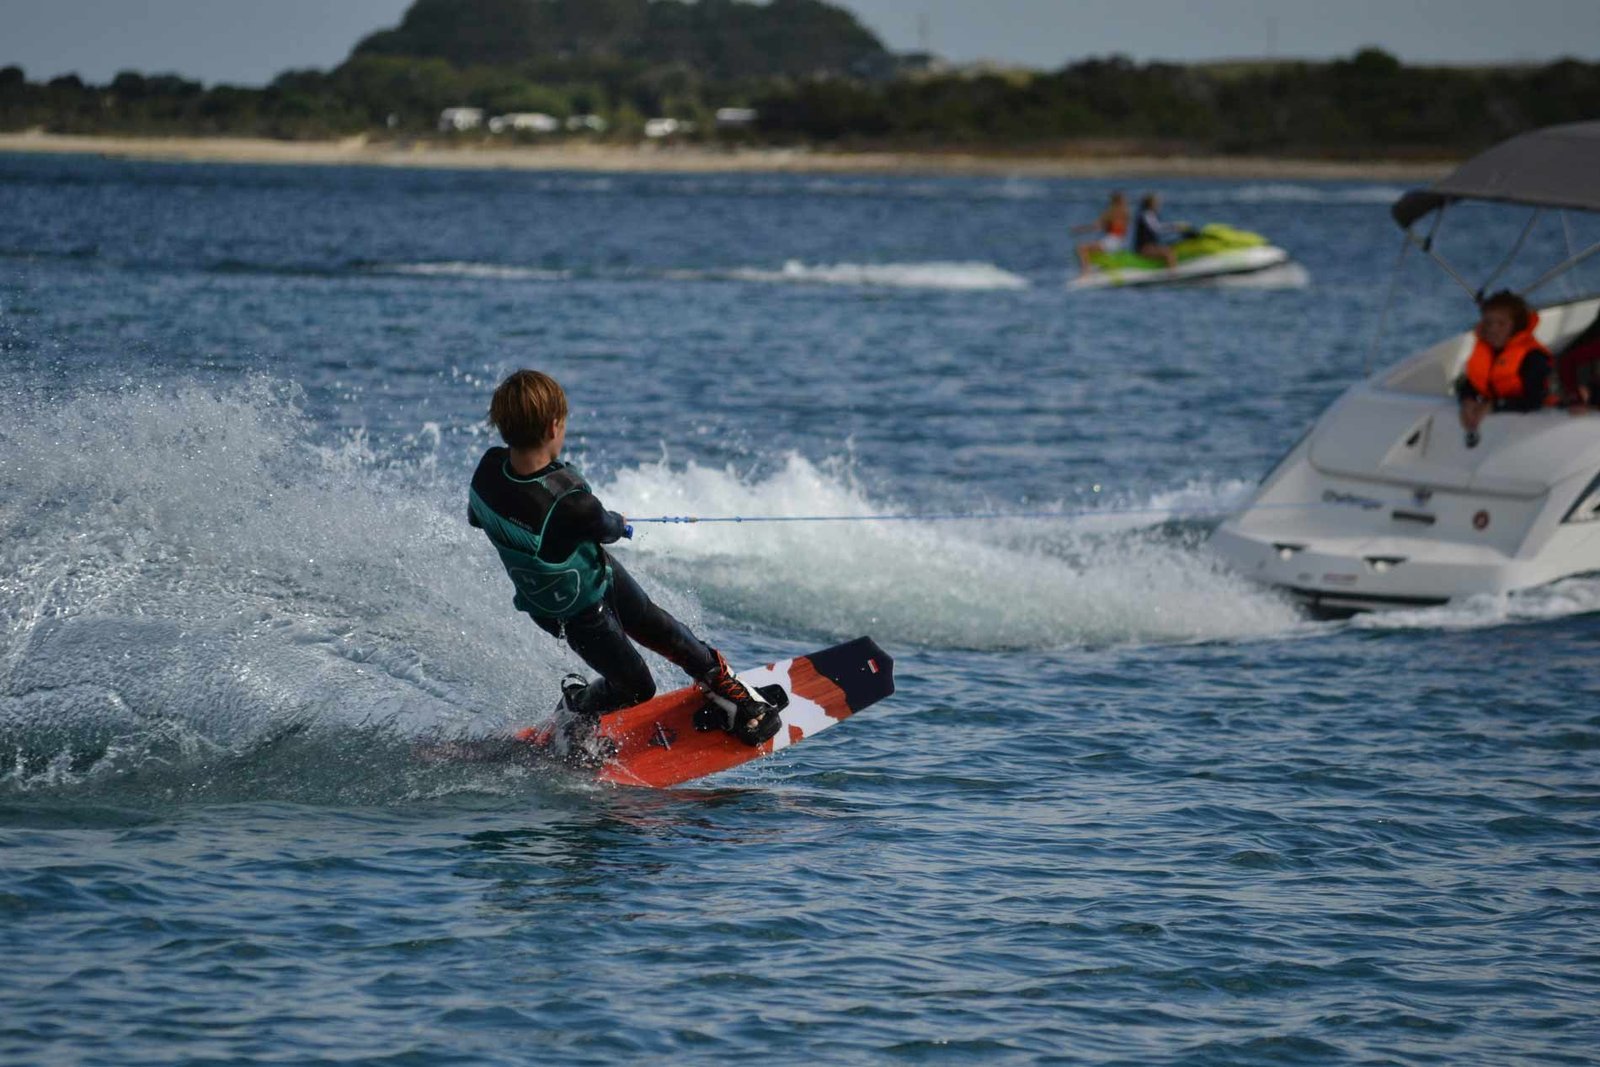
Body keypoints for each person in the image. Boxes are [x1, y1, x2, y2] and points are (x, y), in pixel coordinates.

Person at [467, 369, 782, 757]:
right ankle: (575, 709)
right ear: (554, 427)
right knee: (635, 687)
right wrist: (620, 523)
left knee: (658, 625)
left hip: (592, 577)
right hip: (574, 611)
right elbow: (605, 526)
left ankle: (725, 686)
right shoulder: (570, 500)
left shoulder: (486, 473)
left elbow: (476, 514)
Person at [1454, 290, 1551, 445]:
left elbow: (1535, 400)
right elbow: (1471, 383)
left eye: (1501, 323)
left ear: (1516, 327)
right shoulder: (1486, 350)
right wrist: (1467, 400)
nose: (1492, 329)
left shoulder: (1533, 357)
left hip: (1540, 423)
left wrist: (1494, 406)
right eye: (1488, 323)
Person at [1073, 191, 1130, 273]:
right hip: (1120, 243)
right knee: (1093, 248)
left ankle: (1085, 273)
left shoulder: (1110, 212)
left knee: (1081, 248)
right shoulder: (1126, 212)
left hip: (1110, 242)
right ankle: (1100, 268)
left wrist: (1079, 229)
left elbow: (1096, 226)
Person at [1133, 193, 1182, 269]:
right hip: (1144, 248)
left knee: (1172, 247)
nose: (1159, 205)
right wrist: (1174, 227)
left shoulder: (1149, 214)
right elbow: (1157, 228)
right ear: (1151, 204)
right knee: (1168, 253)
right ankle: (1174, 276)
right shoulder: (1147, 214)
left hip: (1149, 246)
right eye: (1157, 202)